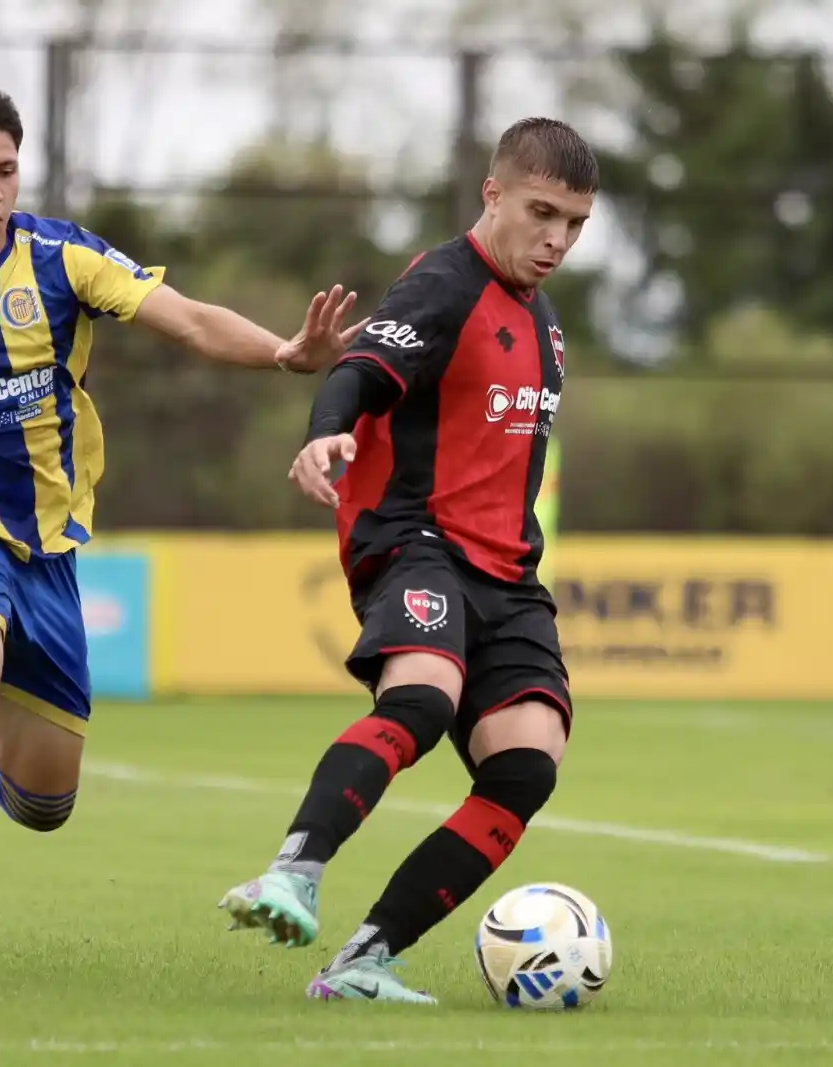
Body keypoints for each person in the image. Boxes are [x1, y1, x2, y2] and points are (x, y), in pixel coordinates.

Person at [0, 83, 364, 973]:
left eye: (7, 169)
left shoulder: (59, 257)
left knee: (43, 803)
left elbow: (192, 320)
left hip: (49, 552)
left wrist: (284, 352)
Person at [218, 117, 598, 1003]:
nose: (557, 239)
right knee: (423, 697)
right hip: (417, 543)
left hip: (507, 574)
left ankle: (363, 960)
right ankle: (291, 873)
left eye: (575, 224)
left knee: (526, 764)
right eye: (541, 212)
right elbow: (354, 373)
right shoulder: (442, 283)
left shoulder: (543, 325)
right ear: (492, 194)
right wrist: (325, 439)